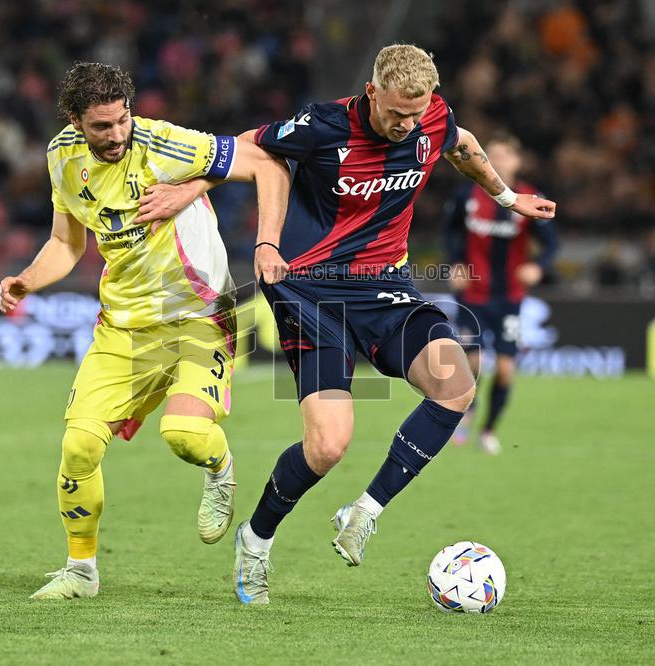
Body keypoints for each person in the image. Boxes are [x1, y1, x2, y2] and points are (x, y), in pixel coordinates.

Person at [144, 44, 555, 605]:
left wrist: (508, 198)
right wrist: (186, 191)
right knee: (329, 444)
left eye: (416, 114)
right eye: (395, 114)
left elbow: (463, 147)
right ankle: (256, 541)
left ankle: (364, 511)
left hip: (385, 287)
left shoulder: (432, 118)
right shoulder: (322, 124)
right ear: (371, 93)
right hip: (310, 288)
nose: (407, 125)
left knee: (456, 383)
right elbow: (244, 149)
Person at [0, 62, 289, 600]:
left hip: (201, 317)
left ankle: (221, 469)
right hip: (125, 327)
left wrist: (200, 194)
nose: (115, 136)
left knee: (183, 436)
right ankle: (81, 572)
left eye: (121, 121)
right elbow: (67, 243)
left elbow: (268, 165)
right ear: (75, 121)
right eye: (100, 127)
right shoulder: (62, 156)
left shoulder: (165, 145)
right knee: (79, 445)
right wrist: (28, 279)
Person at [444, 131, 558, 454]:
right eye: (491, 153)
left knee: (506, 368)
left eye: (505, 155)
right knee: (473, 363)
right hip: (473, 293)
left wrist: (538, 266)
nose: (497, 160)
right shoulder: (466, 195)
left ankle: (489, 429)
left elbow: (551, 242)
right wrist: (455, 262)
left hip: (509, 295)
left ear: (518, 161)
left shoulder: (530, 197)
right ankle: (468, 411)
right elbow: (450, 231)